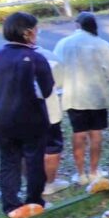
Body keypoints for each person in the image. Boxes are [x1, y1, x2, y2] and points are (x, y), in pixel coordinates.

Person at [0, 12, 54, 217]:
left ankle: (11, 205)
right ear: (27, 33)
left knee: (8, 161)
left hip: (3, 118)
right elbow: (46, 90)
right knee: (34, 160)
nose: (37, 33)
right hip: (31, 117)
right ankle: (34, 200)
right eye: (35, 29)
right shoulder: (35, 58)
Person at [54, 13, 109, 184]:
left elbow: (55, 68)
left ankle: (80, 173)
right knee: (96, 133)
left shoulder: (64, 43)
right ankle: (93, 171)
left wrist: (62, 84)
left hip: (74, 95)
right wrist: (105, 79)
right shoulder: (101, 44)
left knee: (79, 133)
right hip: (97, 94)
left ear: (77, 25)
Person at [35, 44, 69, 196]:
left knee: (27, 148)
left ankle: (33, 182)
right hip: (48, 109)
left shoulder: (3, 56)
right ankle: (49, 183)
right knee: (51, 147)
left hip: (20, 111)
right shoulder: (46, 55)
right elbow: (60, 80)